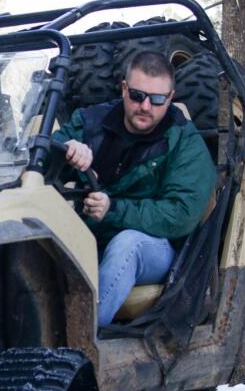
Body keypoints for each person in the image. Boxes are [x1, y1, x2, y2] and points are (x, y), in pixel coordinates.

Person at [52, 50, 216, 327]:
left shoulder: (183, 142)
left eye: (157, 100)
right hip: (88, 236)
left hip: (154, 248)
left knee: (127, 243)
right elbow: (40, 161)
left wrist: (113, 209)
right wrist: (66, 151)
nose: (146, 107)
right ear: (125, 89)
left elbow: (180, 215)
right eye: (138, 96)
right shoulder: (91, 122)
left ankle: (80, 342)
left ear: (170, 98)